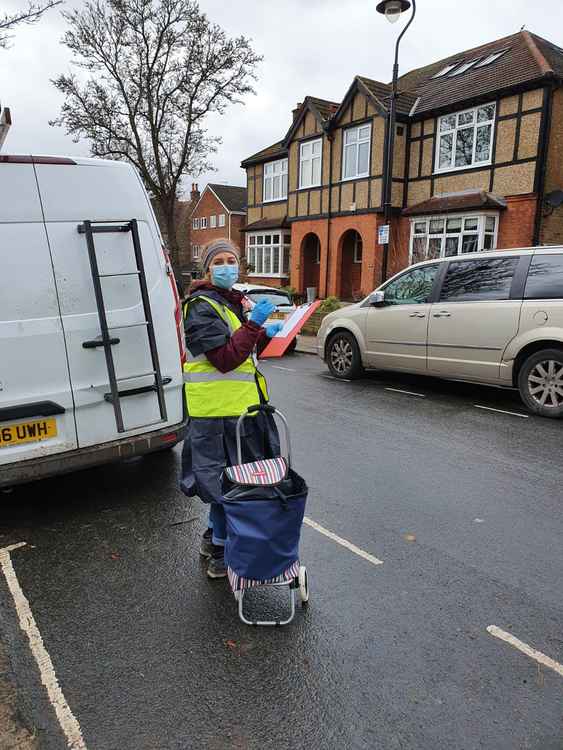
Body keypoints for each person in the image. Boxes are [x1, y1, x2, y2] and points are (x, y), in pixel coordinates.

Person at [180, 238, 283, 578]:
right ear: (207, 269)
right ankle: (222, 554)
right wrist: (254, 326)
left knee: (235, 480)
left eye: (232, 259)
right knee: (228, 486)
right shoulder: (200, 306)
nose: (227, 265)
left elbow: (244, 353)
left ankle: (213, 538)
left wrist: (265, 333)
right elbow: (224, 359)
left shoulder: (232, 302)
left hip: (240, 410)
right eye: (219, 261)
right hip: (215, 414)